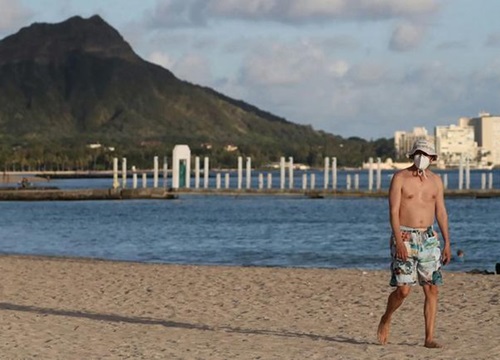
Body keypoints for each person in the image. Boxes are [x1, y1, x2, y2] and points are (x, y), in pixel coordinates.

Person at [377, 139, 451, 348]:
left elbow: (441, 212)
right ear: (412, 155)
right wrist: (398, 240)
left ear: (433, 158)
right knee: (403, 290)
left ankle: (428, 338)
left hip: (428, 238)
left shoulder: (436, 181)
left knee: (432, 289)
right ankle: (387, 316)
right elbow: (393, 211)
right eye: (419, 153)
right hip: (405, 236)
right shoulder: (400, 178)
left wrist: (447, 242)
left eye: (426, 154)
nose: (422, 157)